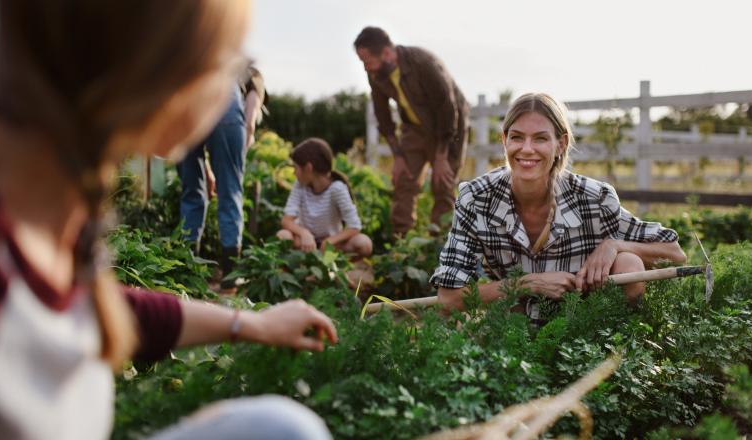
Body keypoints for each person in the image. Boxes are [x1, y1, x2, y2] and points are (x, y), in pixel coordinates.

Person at [0, 1, 335, 439]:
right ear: (165, 73)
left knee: (280, 427)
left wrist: (249, 323)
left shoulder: (53, 207)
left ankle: (214, 259)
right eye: (225, 57)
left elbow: (105, 309)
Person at [430, 93, 686, 317]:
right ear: (504, 140)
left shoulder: (594, 198)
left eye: (540, 139)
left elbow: (675, 253)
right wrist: (529, 283)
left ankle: (618, 353)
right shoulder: (475, 199)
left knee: (628, 263)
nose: (527, 149)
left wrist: (614, 245)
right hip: (515, 325)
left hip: (585, 322)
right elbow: (448, 298)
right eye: (517, 137)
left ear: (560, 144)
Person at [354, 26, 469, 236]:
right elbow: (383, 115)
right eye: (363, 63)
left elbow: (447, 108)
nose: (366, 68)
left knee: (442, 184)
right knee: (403, 180)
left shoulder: (423, 63)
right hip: (414, 128)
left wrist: (442, 156)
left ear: (387, 53)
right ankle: (402, 242)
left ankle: (441, 242)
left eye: (368, 62)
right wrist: (397, 156)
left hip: (448, 128)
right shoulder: (376, 74)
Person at [177, 65, 265, 290]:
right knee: (230, 192)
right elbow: (254, 94)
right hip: (225, 105)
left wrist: (204, 168)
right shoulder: (244, 68)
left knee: (192, 193)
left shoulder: (191, 59)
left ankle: (187, 271)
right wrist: (249, 126)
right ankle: (230, 275)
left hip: (186, 106)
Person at [277, 138, 373, 259]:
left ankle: (336, 266)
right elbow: (286, 220)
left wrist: (330, 241)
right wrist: (304, 233)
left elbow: (354, 226)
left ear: (308, 168)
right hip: (305, 243)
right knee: (283, 236)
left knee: (364, 243)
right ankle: (302, 264)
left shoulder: (337, 189)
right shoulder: (300, 185)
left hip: (330, 245)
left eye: (296, 168)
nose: (294, 173)